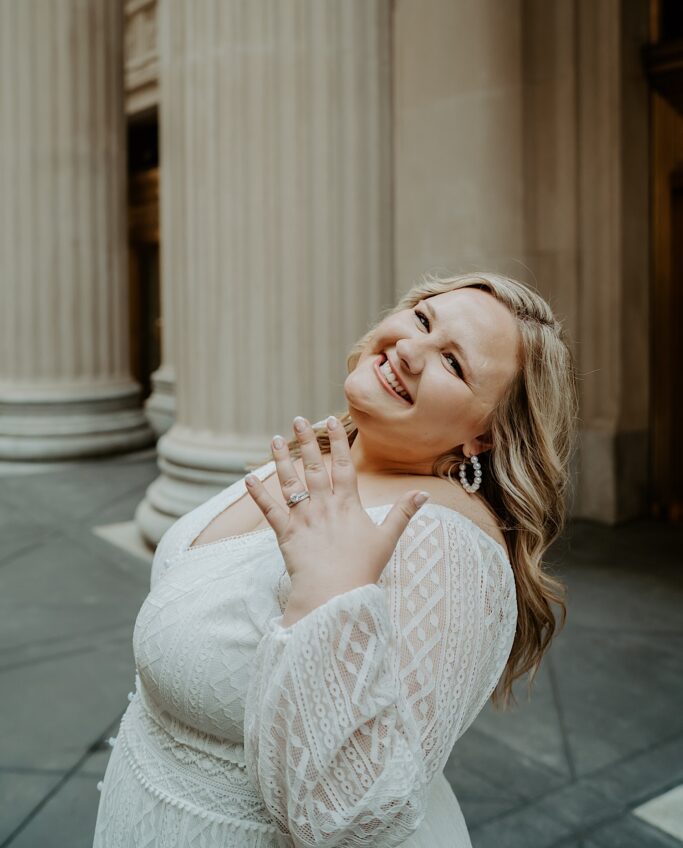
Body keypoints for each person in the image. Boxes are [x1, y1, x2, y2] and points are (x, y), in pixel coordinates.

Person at [92, 271, 577, 847]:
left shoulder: (443, 543)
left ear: (486, 436)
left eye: (454, 363)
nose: (412, 350)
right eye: (422, 320)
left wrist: (330, 594)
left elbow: (356, 818)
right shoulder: (327, 457)